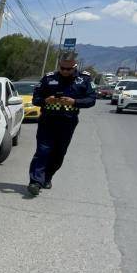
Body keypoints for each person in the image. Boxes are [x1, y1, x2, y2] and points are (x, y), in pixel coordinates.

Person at [27, 54, 96, 196]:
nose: (65, 71)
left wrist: (74, 102)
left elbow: (91, 99)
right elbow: (35, 99)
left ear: (75, 66)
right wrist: (46, 100)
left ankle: (47, 177)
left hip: (68, 122)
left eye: (68, 69)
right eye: (62, 68)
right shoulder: (49, 78)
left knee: (59, 153)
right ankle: (35, 182)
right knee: (42, 151)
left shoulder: (84, 79)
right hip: (48, 120)